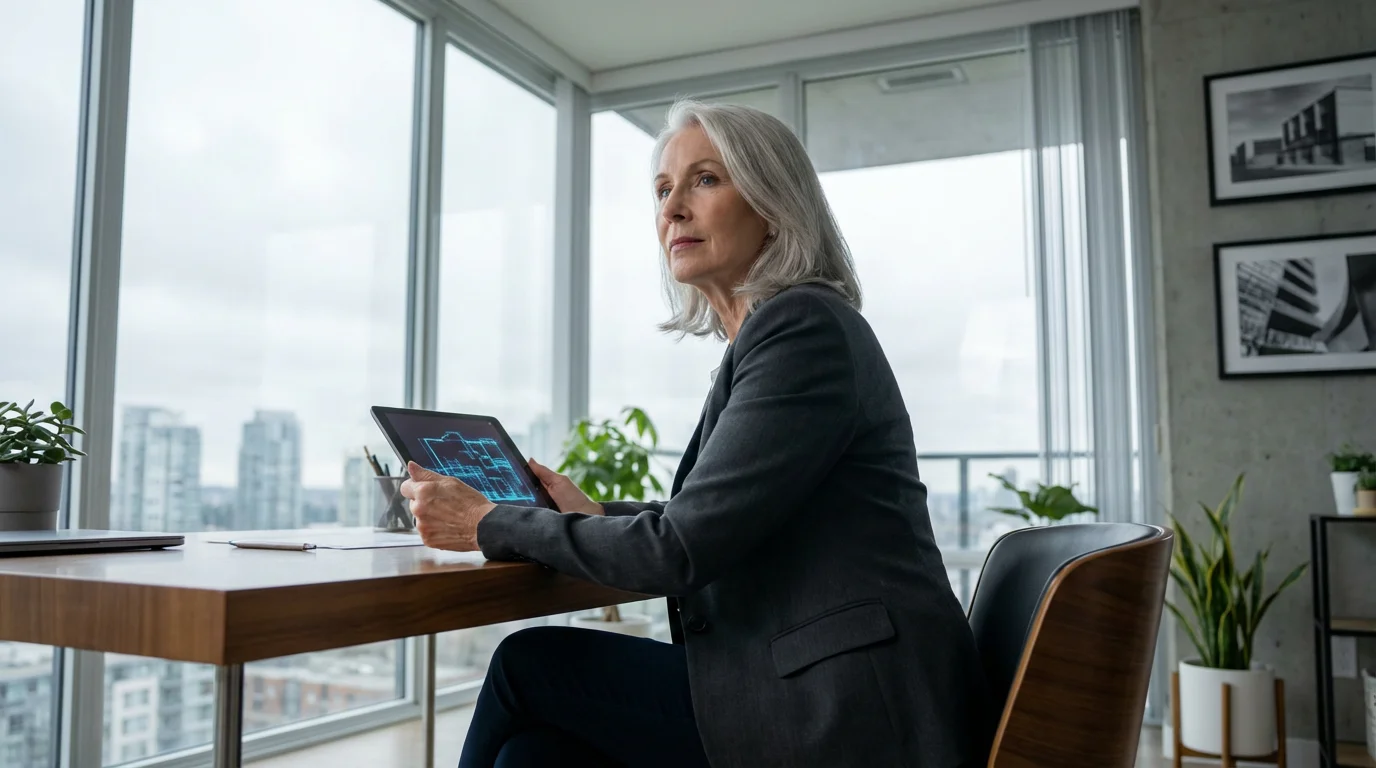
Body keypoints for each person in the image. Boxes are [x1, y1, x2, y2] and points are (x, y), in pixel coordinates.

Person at [400, 99, 995, 768]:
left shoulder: (805, 332)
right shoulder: (772, 339)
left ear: (774, 203)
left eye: (705, 180)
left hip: (850, 713)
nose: (672, 208)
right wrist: (595, 515)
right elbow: (711, 521)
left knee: (526, 664)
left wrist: (490, 520)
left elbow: (678, 550)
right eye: (663, 188)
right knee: (534, 757)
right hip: (803, 688)